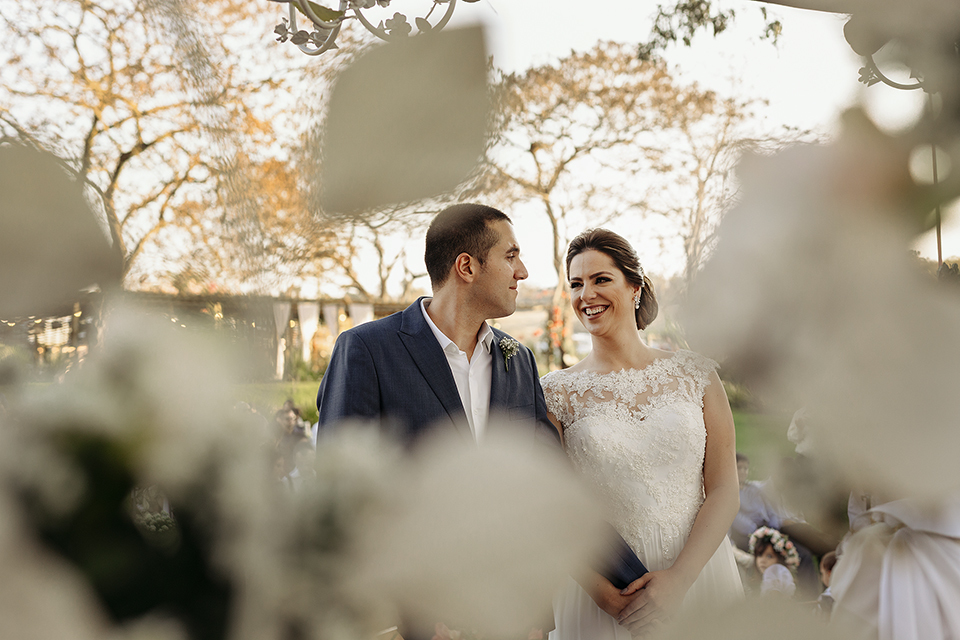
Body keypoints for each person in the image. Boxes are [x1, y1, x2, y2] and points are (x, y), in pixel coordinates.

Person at [542, 228, 743, 639]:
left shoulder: (696, 374)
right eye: (576, 284)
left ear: (634, 286)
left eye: (601, 279)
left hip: (698, 573)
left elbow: (724, 487)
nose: (586, 295)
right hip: (609, 591)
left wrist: (680, 580)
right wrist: (606, 598)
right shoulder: (554, 392)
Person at [316, 203, 557, 449]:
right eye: (510, 256)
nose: (523, 272)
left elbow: (546, 468)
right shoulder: (367, 350)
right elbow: (339, 475)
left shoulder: (520, 359)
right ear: (466, 267)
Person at [748, 526, 799, 597]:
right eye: (759, 555)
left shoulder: (786, 588)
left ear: (780, 560)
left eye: (769, 556)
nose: (762, 560)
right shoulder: (751, 586)